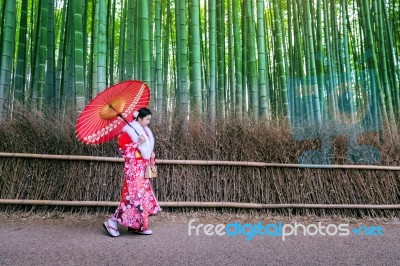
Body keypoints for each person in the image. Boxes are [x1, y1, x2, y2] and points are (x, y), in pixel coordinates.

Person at [103, 108, 161, 237]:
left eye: (149, 119)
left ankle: (139, 226)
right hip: (133, 170)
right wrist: (137, 143)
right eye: (147, 119)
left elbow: (145, 150)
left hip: (142, 168)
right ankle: (112, 221)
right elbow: (123, 150)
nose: (148, 122)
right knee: (133, 197)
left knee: (142, 196)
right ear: (139, 118)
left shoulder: (145, 130)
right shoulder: (128, 132)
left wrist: (149, 153)